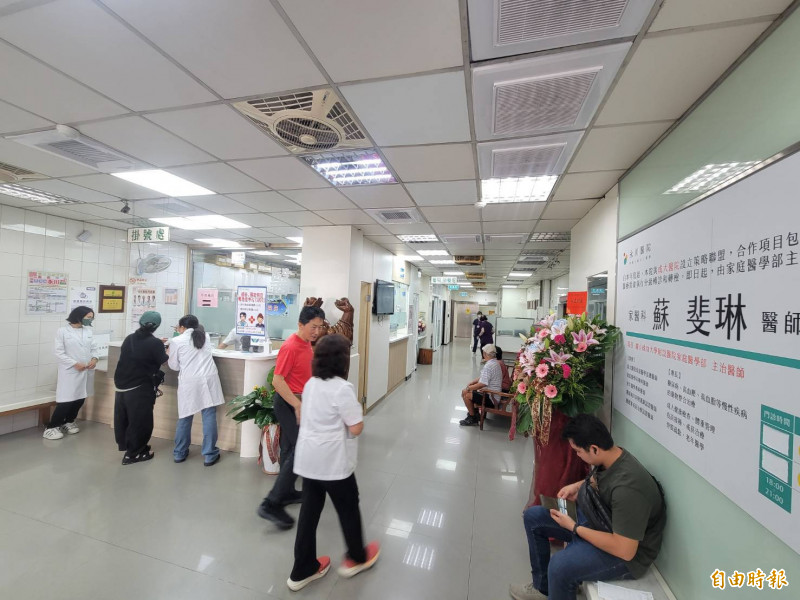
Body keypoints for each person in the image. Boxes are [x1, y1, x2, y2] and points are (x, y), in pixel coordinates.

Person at [510, 415, 666, 600]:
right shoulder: (612, 456)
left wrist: (574, 528)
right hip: (602, 521)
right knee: (534, 516)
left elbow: (625, 550)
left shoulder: (628, 489)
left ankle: (559, 587)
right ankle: (543, 589)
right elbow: (600, 479)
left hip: (626, 555)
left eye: (578, 451)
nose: (577, 455)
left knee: (560, 567)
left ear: (594, 449)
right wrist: (577, 487)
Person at [287, 334, 380, 591]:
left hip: (308, 461)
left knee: (309, 513)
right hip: (333, 463)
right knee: (348, 507)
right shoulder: (342, 388)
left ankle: (301, 570)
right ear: (343, 361)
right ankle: (357, 557)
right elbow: (356, 427)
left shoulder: (311, 384)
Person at [258, 305, 326, 529]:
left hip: (299, 402)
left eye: (320, 327)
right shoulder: (290, 346)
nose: (316, 331)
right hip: (288, 403)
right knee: (301, 448)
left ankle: (286, 492)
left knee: (289, 449)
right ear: (300, 324)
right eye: (313, 327)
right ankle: (270, 503)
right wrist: (297, 405)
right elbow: (277, 380)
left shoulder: (306, 343)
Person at [168, 315, 224, 467]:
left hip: (190, 382)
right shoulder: (205, 336)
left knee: (185, 416)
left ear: (182, 327)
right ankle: (209, 454)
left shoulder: (176, 341)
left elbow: (173, 366)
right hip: (209, 379)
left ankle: (180, 453)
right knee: (209, 415)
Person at [113, 311, 169, 465]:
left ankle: (130, 448)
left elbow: (140, 351)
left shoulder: (129, 338)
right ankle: (134, 454)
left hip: (121, 385)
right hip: (139, 386)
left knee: (124, 419)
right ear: (157, 326)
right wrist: (166, 349)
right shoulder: (155, 343)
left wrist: (157, 344)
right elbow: (165, 361)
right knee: (140, 421)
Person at [44, 306, 100, 440]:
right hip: (70, 371)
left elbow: (94, 348)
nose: (90, 320)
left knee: (80, 398)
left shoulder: (88, 331)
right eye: (88, 317)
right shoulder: (62, 331)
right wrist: (75, 363)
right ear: (78, 316)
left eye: (92, 317)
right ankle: (51, 427)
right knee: (66, 400)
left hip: (86, 370)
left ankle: (68, 421)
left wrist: (94, 359)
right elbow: (59, 353)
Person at [459, 343, 504, 426]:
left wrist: (468, 388)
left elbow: (482, 384)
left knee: (466, 394)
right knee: (470, 391)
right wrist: (472, 383)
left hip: (492, 398)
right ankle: (476, 415)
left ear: (485, 354)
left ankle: (473, 418)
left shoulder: (489, 365)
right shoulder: (495, 363)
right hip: (494, 395)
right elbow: (483, 377)